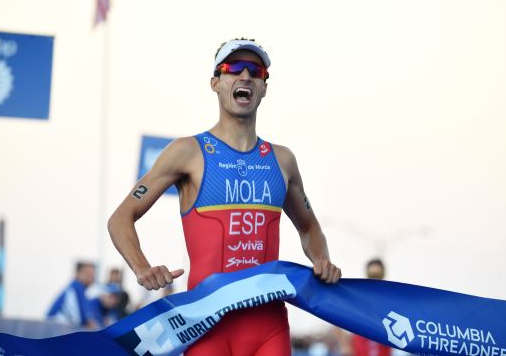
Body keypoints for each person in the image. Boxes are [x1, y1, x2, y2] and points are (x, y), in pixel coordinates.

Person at [108, 37, 342, 356]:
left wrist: (321, 260)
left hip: (268, 326)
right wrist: (141, 267)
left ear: (264, 87)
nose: (244, 76)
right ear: (216, 83)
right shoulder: (187, 152)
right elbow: (120, 218)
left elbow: (309, 227)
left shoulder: (282, 160)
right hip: (206, 327)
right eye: (233, 68)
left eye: (255, 71)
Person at [339, 258, 391, 356]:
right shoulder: (357, 296)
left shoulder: (390, 298)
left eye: (378, 275)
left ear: (383, 273)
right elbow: (335, 315)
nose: (375, 278)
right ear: (367, 273)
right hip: (360, 351)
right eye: (372, 274)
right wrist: (345, 344)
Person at [46, 261, 99, 328]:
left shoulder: (75, 288)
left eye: (92, 274)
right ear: (78, 273)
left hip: (57, 327)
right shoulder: (77, 287)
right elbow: (88, 321)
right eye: (88, 273)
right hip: (56, 327)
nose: (92, 277)